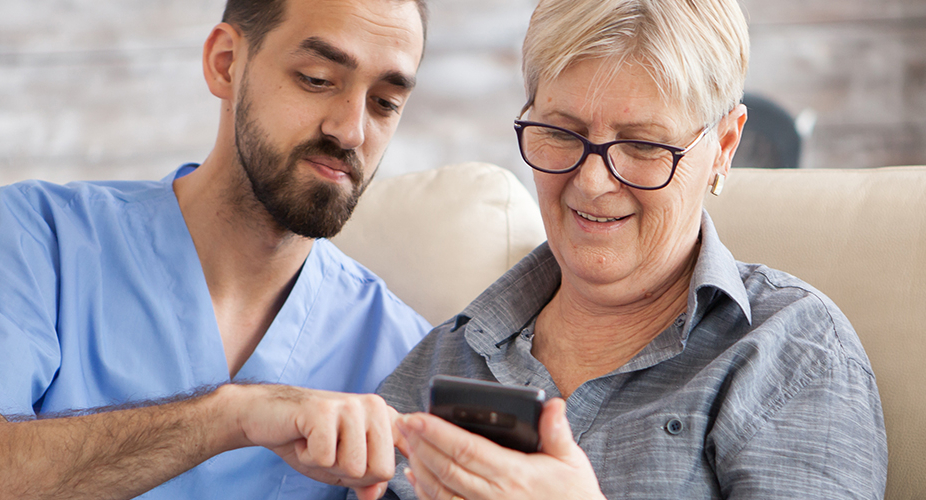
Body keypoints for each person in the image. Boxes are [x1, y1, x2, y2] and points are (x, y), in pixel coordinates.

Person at [0, 0, 431, 499]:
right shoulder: (37, 239)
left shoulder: (403, 351)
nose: (352, 130)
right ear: (225, 63)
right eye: (316, 79)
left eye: (384, 103)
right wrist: (229, 415)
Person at [374, 0, 888, 498]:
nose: (592, 182)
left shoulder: (791, 351)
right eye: (561, 132)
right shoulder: (446, 358)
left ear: (724, 147)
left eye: (643, 144)